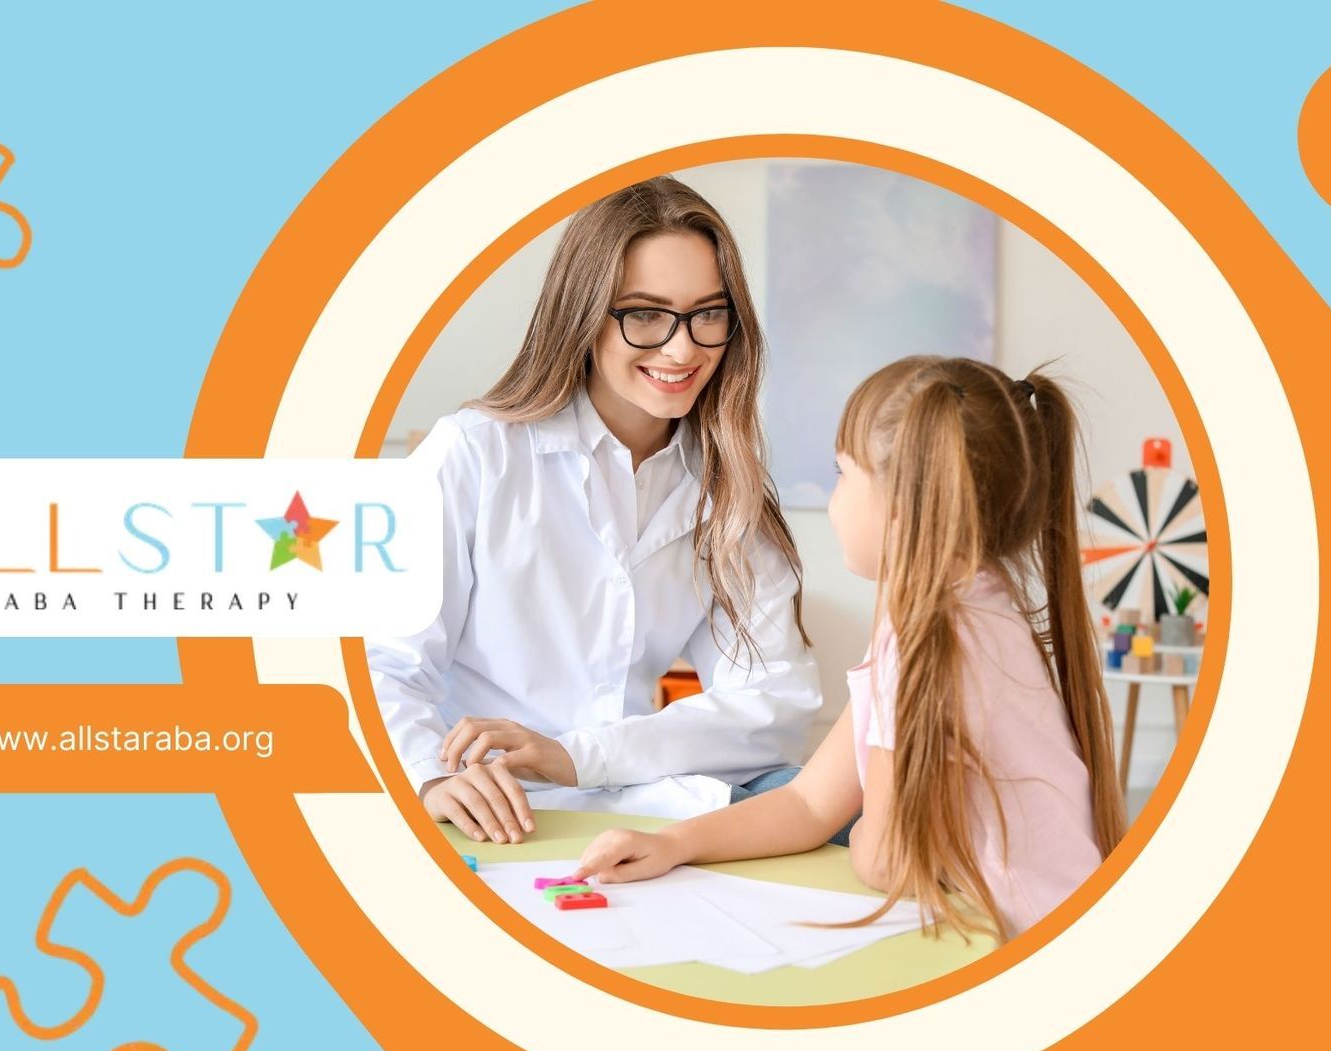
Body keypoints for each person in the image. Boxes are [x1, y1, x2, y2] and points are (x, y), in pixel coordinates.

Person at [575, 357, 1126, 939]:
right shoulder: (978, 612)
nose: (834, 501)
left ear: (906, 505)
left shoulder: (931, 642)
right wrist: (673, 843)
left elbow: (886, 860)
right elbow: (811, 803)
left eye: (842, 474)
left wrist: (866, 835)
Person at [367, 176, 822, 841]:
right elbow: (380, 662)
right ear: (582, 315)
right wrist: (429, 776)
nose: (683, 348)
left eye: (709, 313)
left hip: (637, 803)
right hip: (487, 802)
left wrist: (581, 757)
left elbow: (777, 702)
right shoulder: (475, 452)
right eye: (644, 313)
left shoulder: (729, 485)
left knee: (844, 804)